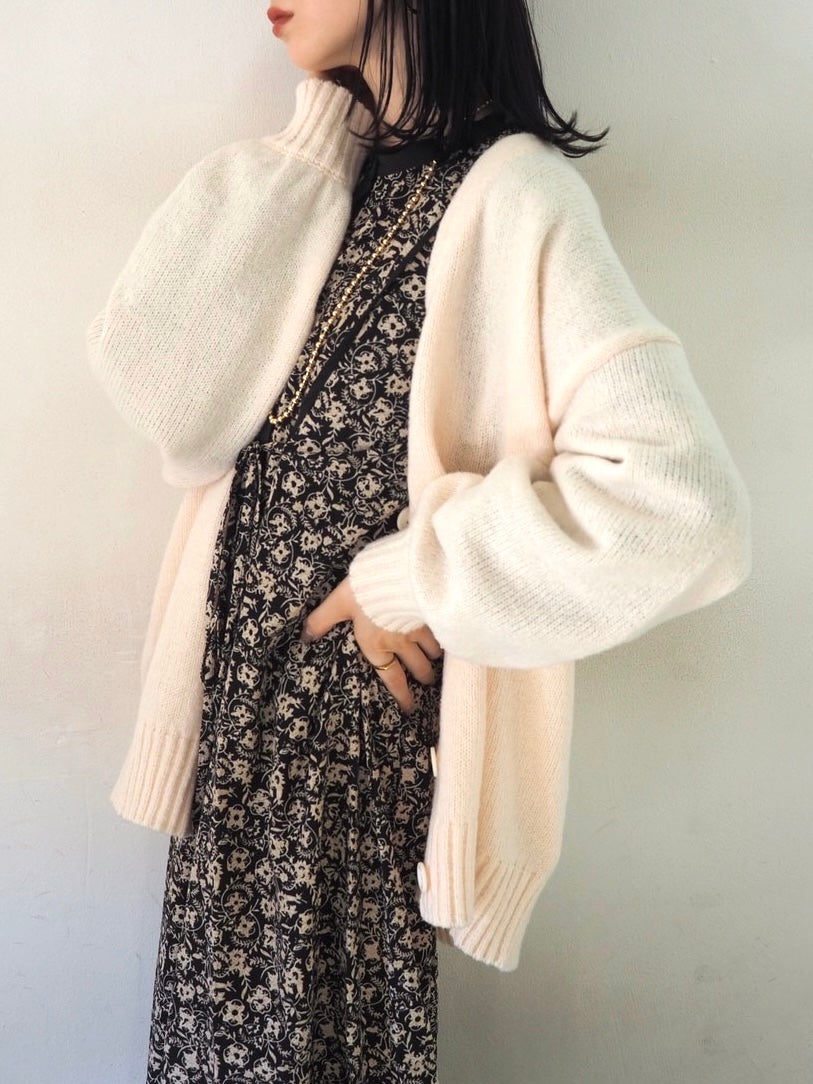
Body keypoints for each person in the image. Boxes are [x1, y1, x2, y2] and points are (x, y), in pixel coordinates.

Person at [84, 1, 752, 1081]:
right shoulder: (331, 190)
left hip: (344, 791)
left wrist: (414, 578)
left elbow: (683, 506)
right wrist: (318, 148)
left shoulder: (520, 198)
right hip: (236, 768)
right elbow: (166, 396)